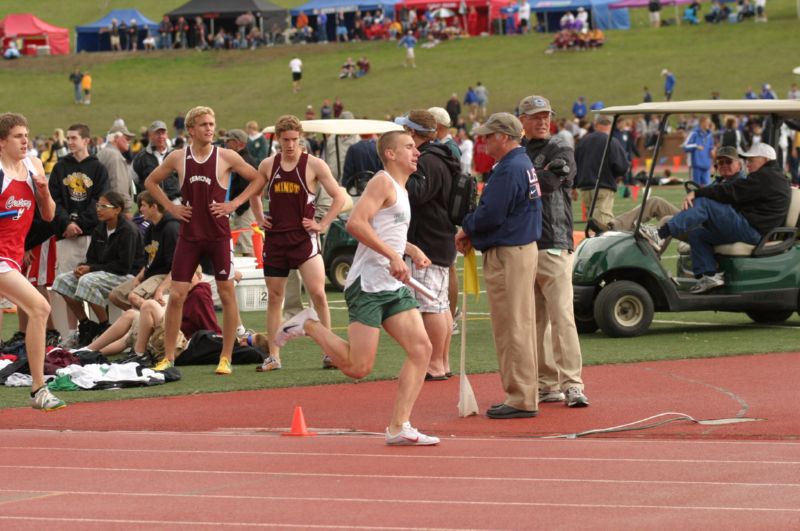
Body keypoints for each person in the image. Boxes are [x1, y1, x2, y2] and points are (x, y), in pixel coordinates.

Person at [275, 130, 439, 445]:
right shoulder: (382, 182)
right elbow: (355, 223)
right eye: (409, 147)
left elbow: (384, 230)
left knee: (422, 350)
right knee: (357, 367)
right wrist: (393, 254)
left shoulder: (401, 189)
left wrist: (408, 248)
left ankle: (398, 427)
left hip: (392, 285)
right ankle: (308, 324)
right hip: (367, 286)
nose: (416, 152)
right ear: (390, 154)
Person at [144, 106, 265, 375]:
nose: (210, 129)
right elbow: (151, 182)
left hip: (218, 235)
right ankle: (169, 357)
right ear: (191, 130)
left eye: (212, 124)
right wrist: (171, 208)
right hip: (190, 235)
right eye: (203, 125)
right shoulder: (178, 157)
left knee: (227, 292)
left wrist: (234, 203)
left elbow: (258, 178)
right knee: (176, 296)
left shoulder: (226, 156)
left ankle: (226, 357)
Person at [455, 113, 542, 419]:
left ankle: (521, 396)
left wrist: (466, 227)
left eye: (490, 136)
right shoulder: (521, 164)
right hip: (520, 248)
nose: (485, 141)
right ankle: (523, 392)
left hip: (509, 252)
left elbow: (491, 214)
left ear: (504, 137)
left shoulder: (509, 169)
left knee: (512, 326)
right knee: (519, 324)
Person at [249, 115, 346, 372]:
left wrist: (322, 224)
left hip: (304, 240)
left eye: (294, 140)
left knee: (318, 294)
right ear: (278, 140)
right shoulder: (269, 164)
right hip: (277, 240)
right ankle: (273, 356)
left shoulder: (314, 165)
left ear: (300, 138)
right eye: (285, 140)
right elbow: (254, 194)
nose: (290, 145)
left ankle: (329, 352)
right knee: (274, 297)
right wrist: (260, 218)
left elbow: (339, 197)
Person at [640, 143, 790, 294]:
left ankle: (660, 234)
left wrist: (698, 194)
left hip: (753, 229)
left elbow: (731, 191)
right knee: (698, 234)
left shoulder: (765, 177)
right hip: (754, 228)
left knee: (704, 203)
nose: (748, 163)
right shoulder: (772, 177)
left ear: (764, 159)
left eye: (751, 160)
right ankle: (709, 275)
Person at [518, 95, 588, 408]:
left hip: (556, 242)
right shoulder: (517, 152)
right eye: (535, 116)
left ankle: (572, 383)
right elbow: (536, 181)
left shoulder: (560, 146)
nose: (543, 121)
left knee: (563, 317)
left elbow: (555, 179)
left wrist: (524, 181)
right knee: (534, 322)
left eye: (546, 115)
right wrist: (538, 176)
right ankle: (547, 383)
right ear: (522, 120)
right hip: (523, 245)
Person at [0, 112, 65, 411]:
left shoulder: (33, 166)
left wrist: (45, 192)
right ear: (2, 142)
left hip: (12, 258)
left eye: (27, 134)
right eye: (17, 136)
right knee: (40, 307)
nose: (25, 140)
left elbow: (49, 216)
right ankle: (38, 388)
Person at [395, 110, 458, 381]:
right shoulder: (445, 155)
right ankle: (441, 361)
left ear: (412, 132)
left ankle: (434, 363)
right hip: (441, 235)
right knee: (440, 305)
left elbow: (419, 195)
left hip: (427, 239)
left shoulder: (428, 161)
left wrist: (402, 176)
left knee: (430, 306)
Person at [51, 191, 143, 346]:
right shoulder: (100, 228)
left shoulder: (128, 230)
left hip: (129, 276)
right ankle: (86, 324)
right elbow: (92, 259)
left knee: (87, 280)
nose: (99, 209)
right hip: (104, 273)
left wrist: (91, 269)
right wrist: (82, 267)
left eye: (104, 206)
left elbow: (122, 267)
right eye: (98, 205)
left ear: (117, 210)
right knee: (62, 280)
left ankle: (104, 325)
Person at [49, 123, 109, 346]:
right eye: (69, 138)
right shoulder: (60, 167)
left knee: (92, 282)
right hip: (66, 235)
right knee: (67, 284)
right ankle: (75, 331)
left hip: (91, 235)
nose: (70, 141)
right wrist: (67, 223)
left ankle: (101, 329)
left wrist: (80, 224)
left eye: (74, 138)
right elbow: (53, 199)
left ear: (86, 141)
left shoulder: (98, 168)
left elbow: (100, 200)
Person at [82, 267, 220, 364]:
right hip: (171, 338)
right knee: (130, 316)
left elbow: (210, 327)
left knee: (149, 305)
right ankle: (87, 351)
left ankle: (139, 355)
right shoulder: (181, 294)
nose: (185, 280)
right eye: (181, 277)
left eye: (190, 276)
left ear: (199, 276)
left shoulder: (199, 293)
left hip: (180, 345)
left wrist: (224, 341)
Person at [615, 145, 745, 233]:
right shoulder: (719, 181)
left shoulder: (740, 184)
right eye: (721, 162)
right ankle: (614, 226)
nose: (724, 165)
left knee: (668, 221)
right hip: (695, 219)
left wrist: (697, 195)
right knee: (655, 202)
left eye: (728, 162)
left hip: (710, 228)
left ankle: (646, 259)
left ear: (739, 165)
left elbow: (721, 199)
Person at [108, 191, 179, 310]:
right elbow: (148, 261)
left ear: (154, 206)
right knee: (115, 295)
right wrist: (138, 278)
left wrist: (160, 289)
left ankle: (160, 322)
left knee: (134, 297)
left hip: (166, 276)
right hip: (152, 274)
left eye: (143, 205)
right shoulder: (150, 229)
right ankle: (144, 320)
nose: (140, 209)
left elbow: (176, 268)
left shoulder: (171, 229)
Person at [574, 115, 629, 231]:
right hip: (604, 187)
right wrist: (617, 175)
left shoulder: (583, 141)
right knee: (603, 225)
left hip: (585, 188)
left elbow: (574, 164)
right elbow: (622, 167)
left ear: (595, 124)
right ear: (611, 125)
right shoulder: (611, 141)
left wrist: (573, 186)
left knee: (593, 224)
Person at [223, 129, 259, 256]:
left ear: (240, 144)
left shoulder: (244, 161)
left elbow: (248, 188)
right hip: (242, 207)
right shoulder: (240, 159)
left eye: (229, 141)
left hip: (245, 208)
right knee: (244, 245)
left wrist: (239, 208)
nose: (225, 144)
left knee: (247, 248)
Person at [132, 121, 177, 201]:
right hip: (151, 203)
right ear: (150, 135)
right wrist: (139, 199)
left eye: (163, 133)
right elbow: (133, 180)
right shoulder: (141, 157)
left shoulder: (175, 155)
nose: (160, 136)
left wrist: (180, 198)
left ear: (167, 135)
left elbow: (184, 178)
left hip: (173, 201)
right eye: (157, 133)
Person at [97, 124, 136, 211]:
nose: (128, 142)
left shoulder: (102, 153)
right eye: (126, 138)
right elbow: (119, 187)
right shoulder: (115, 156)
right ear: (116, 138)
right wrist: (126, 208)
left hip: (104, 207)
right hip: (115, 210)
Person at [683, 117, 715, 187]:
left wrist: (712, 151)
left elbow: (711, 147)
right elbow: (685, 146)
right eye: (707, 122)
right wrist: (696, 146)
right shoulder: (694, 133)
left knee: (707, 188)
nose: (709, 124)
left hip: (706, 166)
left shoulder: (709, 135)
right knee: (695, 188)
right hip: (695, 165)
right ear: (701, 123)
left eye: (709, 122)